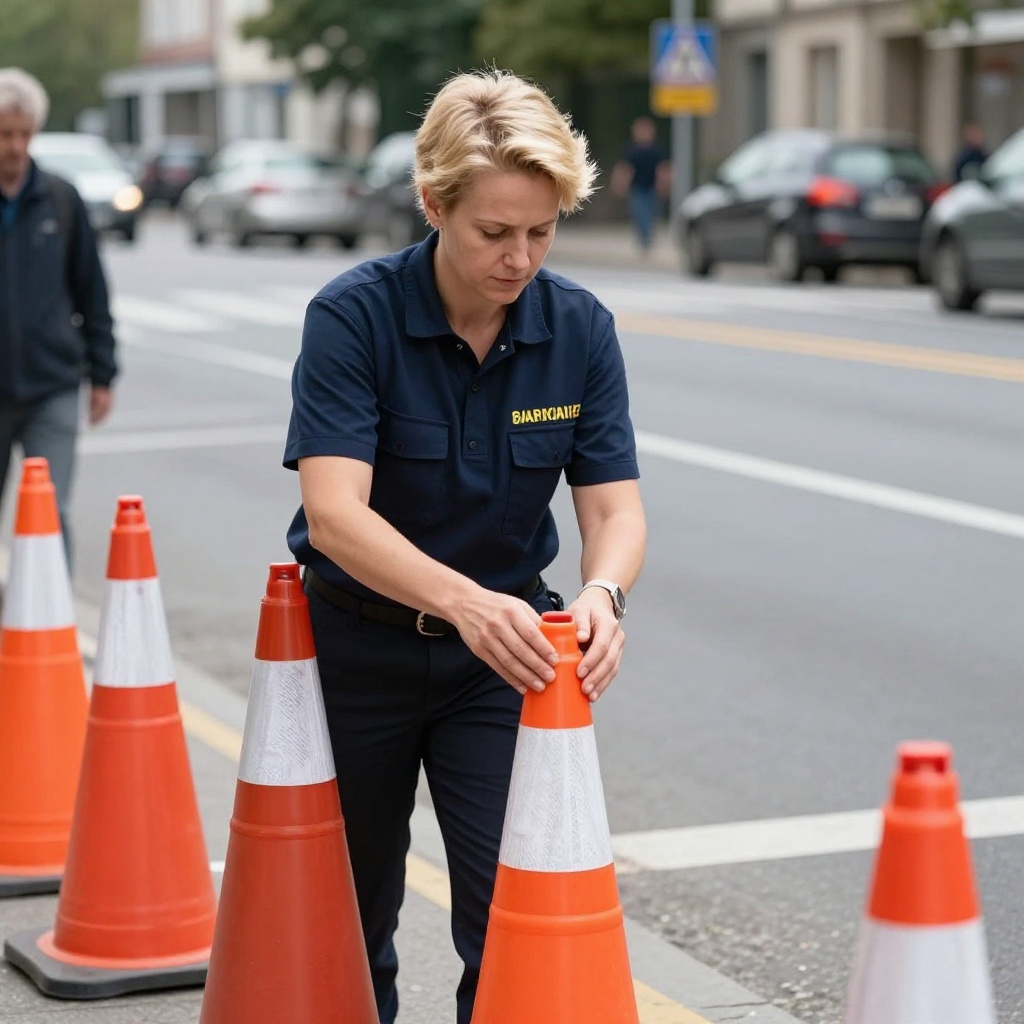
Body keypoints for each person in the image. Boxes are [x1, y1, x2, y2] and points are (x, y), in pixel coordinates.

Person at [284, 70, 646, 1024]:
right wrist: (465, 601)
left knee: (513, 915)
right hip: (354, 651)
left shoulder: (580, 329)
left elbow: (614, 512)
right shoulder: (352, 318)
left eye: (542, 229)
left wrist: (603, 596)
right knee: (350, 919)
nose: (520, 257)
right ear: (433, 202)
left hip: (504, 665)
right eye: (495, 232)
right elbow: (334, 514)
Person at [0, 68, 117, 569]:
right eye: (5, 134)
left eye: (24, 134)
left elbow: (91, 288)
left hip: (51, 385)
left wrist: (103, 373)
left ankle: (52, 631)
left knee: (50, 513)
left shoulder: (61, 199)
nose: (15, 146)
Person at [612, 115, 671, 253]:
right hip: (638, 188)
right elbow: (625, 169)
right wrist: (621, 184)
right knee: (639, 213)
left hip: (652, 187)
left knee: (651, 214)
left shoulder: (656, 150)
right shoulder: (631, 150)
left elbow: (663, 168)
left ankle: (648, 238)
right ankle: (642, 239)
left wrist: (664, 184)